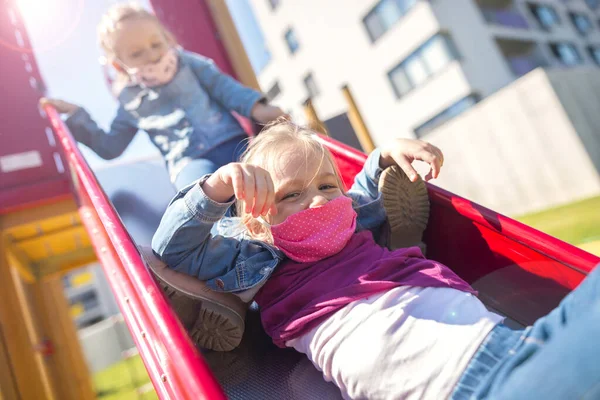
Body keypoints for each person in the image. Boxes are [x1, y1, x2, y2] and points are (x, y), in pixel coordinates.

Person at [151, 120, 600, 399]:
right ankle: (217, 303)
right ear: (255, 221)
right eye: (291, 194)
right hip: (464, 387)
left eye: (327, 186)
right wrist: (214, 190)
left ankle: (404, 243)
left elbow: (361, 193)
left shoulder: (348, 222)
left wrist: (384, 154)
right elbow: (174, 248)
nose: (319, 204)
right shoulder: (257, 255)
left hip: (509, 340)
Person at [40, 3, 285, 190]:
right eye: (136, 53)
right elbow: (110, 147)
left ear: (166, 39)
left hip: (232, 142)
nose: (152, 55)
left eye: (156, 44)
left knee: (269, 175)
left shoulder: (187, 63)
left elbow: (222, 87)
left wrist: (256, 107)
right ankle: (229, 242)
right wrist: (76, 115)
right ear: (119, 66)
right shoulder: (130, 101)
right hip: (189, 162)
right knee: (200, 193)